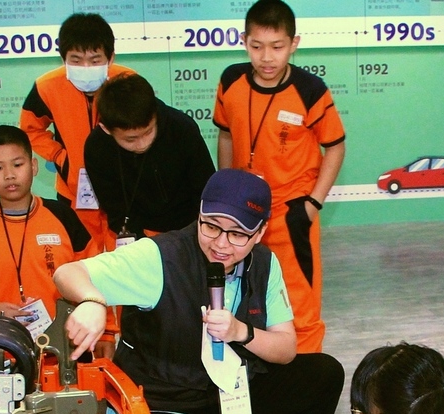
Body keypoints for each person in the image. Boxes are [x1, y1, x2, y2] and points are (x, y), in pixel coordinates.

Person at [53, 169, 355, 414]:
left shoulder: (264, 263)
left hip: (220, 395)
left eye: (238, 234)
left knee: (323, 373)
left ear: (260, 232)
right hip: (160, 407)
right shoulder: (160, 256)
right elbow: (68, 273)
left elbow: (286, 350)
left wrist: (241, 332)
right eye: (211, 226)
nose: (221, 244)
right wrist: (92, 301)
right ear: (198, 214)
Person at [213, 0, 345, 353]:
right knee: (243, 295)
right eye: (257, 46)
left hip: (291, 214)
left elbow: (335, 147)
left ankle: (308, 373)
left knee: (300, 306)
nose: (267, 58)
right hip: (242, 213)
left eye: (277, 47)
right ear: (244, 41)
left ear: (294, 44)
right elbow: (225, 134)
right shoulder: (231, 80)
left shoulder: (310, 90)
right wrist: (225, 188)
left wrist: (312, 205)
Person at [0, 126, 94, 327]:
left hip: (67, 337)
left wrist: (106, 332)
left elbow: (94, 274)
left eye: (18, 165)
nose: (9, 175)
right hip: (1, 340)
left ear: (33, 166)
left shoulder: (63, 216)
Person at [20, 13, 133, 254]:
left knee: (125, 256)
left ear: (110, 57)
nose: (86, 68)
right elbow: (31, 130)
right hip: (74, 192)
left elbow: (146, 129)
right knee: (82, 258)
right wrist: (61, 158)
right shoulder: (46, 87)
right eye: (76, 60)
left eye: (95, 60)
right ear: (63, 58)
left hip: (124, 189)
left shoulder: (129, 83)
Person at [83, 73, 215, 243]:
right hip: (138, 235)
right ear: (106, 129)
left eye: (148, 132)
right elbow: (115, 209)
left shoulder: (182, 128)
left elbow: (206, 190)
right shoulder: (97, 148)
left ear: (155, 115)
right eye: (130, 140)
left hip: (191, 230)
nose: (142, 144)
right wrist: (145, 246)